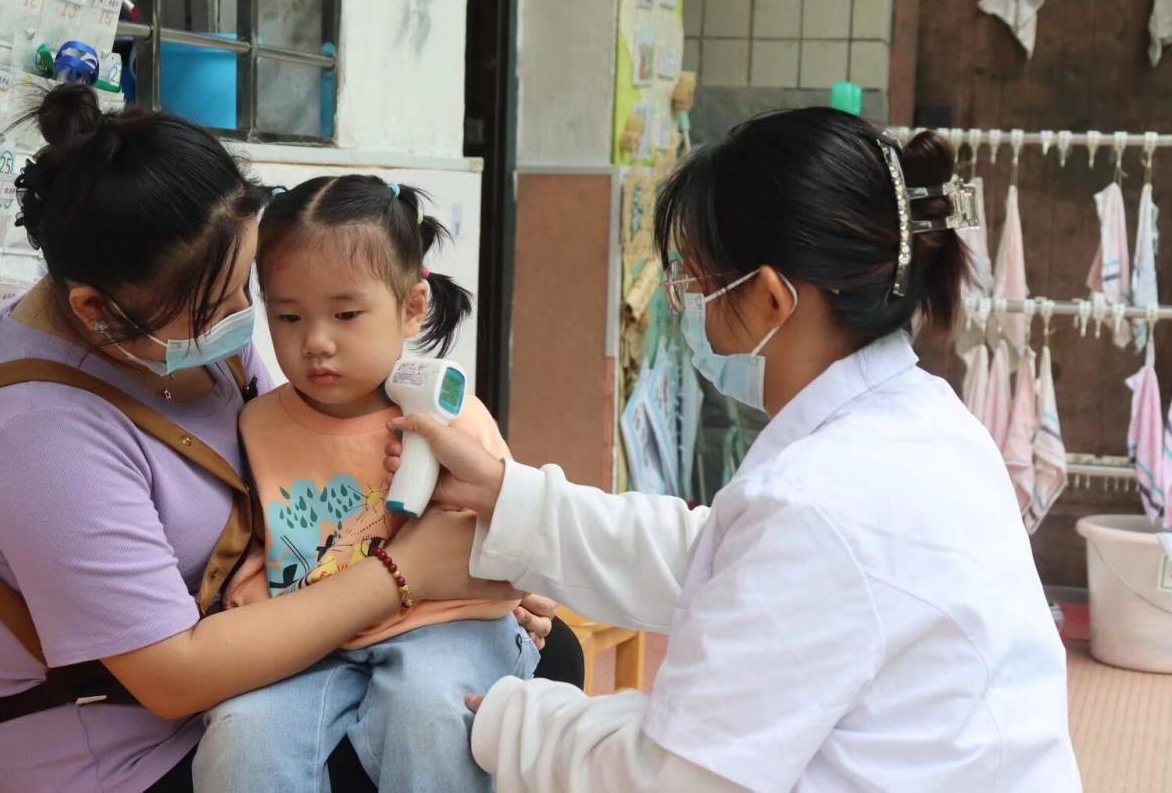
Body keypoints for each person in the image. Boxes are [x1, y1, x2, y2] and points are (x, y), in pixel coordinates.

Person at [387, 110, 1083, 792]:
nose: (692, 314)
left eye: (697, 287)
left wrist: (511, 719)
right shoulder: (927, 423)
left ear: (774, 299)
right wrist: (506, 497)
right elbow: (723, 561)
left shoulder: (820, 501)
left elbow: (678, 777)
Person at [0, 85, 563, 793]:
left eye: (245, 292)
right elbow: (173, 677)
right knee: (470, 721)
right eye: (221, 308)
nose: (246, 322)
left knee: (531, 665)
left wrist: (473, 584)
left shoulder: (175, 336)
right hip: (133, 756)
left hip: (272, 659)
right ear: (96, 309)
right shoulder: (32, 436)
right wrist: (410, 575)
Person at [191, 175, 540, 791]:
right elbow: (260, 539)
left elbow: (512, 526)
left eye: (346, 314)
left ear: (411, 307)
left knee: (431, 715)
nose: (316, 343)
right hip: (312, 636)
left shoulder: (449, 416)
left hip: (448, 626)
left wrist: (526, 584)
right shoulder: (257, 422)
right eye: (288, 316)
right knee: (241, 737)